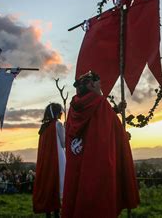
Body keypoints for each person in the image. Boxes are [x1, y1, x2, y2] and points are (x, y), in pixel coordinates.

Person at [62, 71, 140, 218]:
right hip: (98, 163)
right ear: (92, 84)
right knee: (99, 202)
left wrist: (116, 110)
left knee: (78, 193)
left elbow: (96, 123)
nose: (101, 87)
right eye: (99, 84)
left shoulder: (73, 107)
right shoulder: (100, 103)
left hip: (79, 160)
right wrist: (122, 137)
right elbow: (109, 130)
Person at [33, 102, 66, 217]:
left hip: (47, 161)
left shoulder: (43, 128)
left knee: (49, 184)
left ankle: (48, 213)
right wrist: (66, 129)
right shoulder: (58, 124)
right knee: (58, 184)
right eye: (60, 112)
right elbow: (64, 142)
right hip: (58, 159)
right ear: (57, 113)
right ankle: (57, 212)